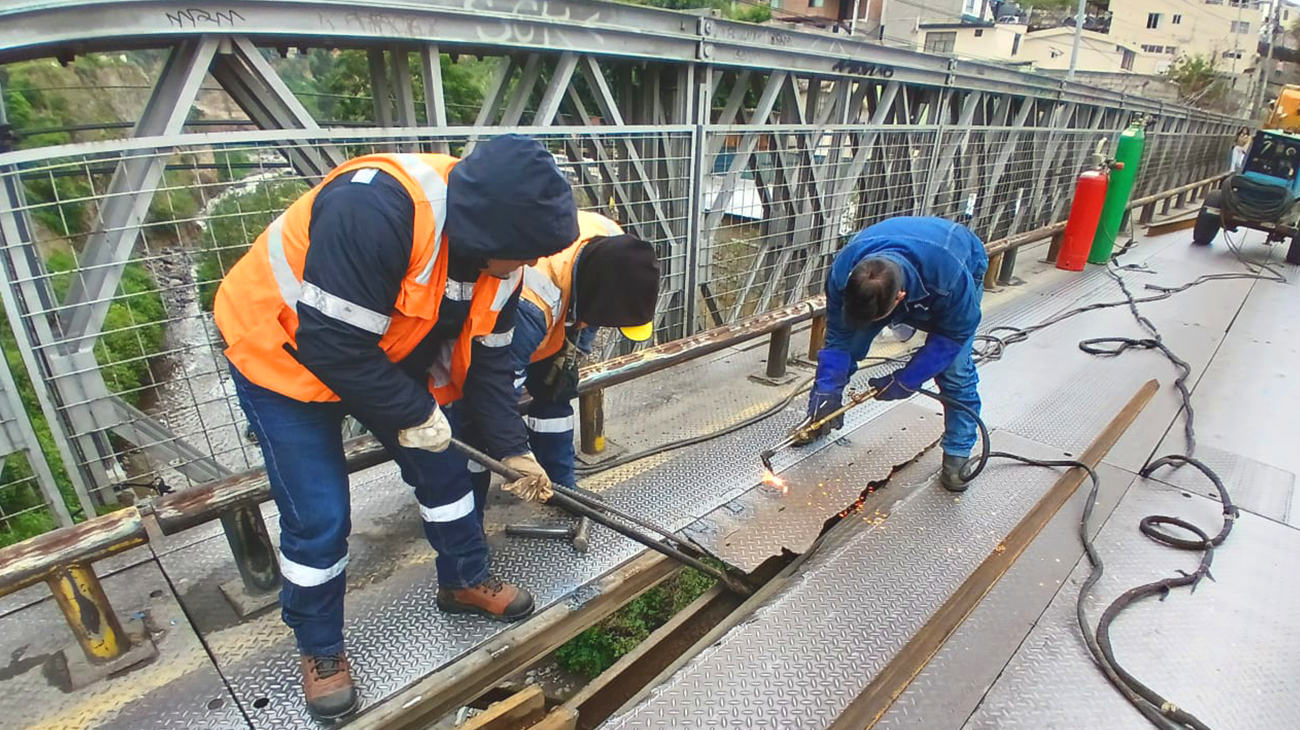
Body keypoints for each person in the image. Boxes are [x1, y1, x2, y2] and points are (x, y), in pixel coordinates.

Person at [213, 135, 578, 720]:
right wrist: (414, 414)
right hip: (281, 356)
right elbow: (330, 344)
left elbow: (488, 365)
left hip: (382, 352)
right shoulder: (378, 208)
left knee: (448, 472)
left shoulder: (503, 265)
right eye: (525, 251)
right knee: (319, 515)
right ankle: (321, 648)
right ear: (490, 233)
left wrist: (515, 451)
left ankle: (463, 581)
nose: (532, 264)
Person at [468, 211, 658, 498]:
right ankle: (470, 507)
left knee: (556, 392)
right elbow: (495, 391)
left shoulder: (615, 250)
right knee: (476, 422)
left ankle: (561, 487)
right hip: (485, 338)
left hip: (559, 313)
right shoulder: (530, 306)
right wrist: (517, 452)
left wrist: (573, 352)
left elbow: (592, 311)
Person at [805, 216, 988, 492]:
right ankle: (821, 416)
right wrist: (827, 389)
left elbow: (952, 337)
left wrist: (907, 380)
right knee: (849, 344)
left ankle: (958, 451)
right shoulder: (844, 271)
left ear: (900, 299)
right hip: (907, 265)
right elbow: (839, 339)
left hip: (956, 260)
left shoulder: (949, 279)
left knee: (955, 372)